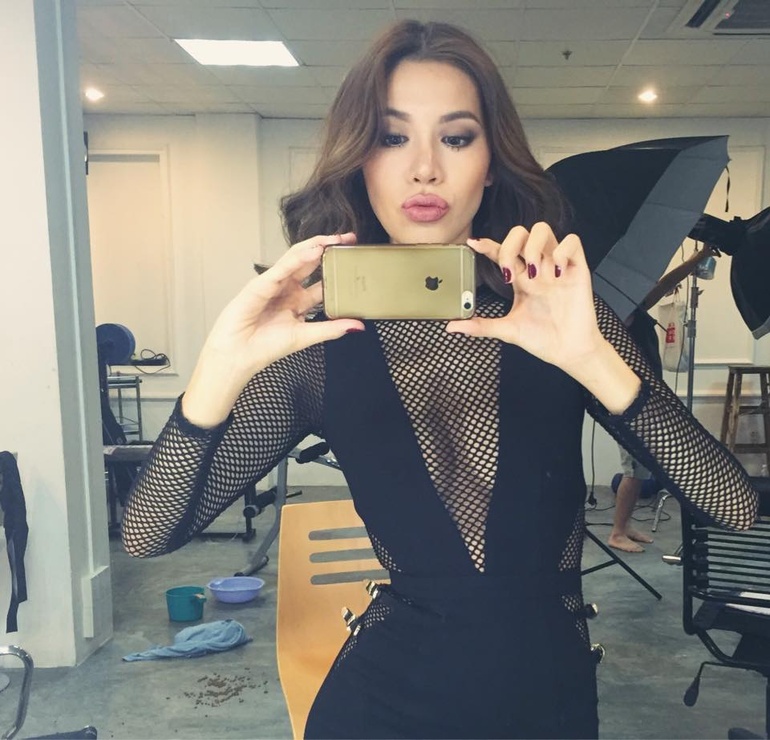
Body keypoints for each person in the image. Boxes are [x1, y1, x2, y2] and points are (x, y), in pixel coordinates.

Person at [121, 20, 758, 739]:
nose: (424, 168)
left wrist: (590, 359)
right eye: (392, 137)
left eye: (455, 138)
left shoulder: (561, 321)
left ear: (491, 164)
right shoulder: (318, 345)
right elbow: (147, 533)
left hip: (548, 702)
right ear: (360, 161)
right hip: (382, 706)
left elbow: (734, 508)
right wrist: (219, 367)